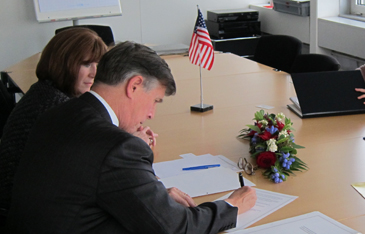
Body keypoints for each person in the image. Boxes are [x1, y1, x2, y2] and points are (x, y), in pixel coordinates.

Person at [5, 41, 257, 233]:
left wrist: (150, 197)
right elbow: (174, 227)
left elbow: (89, 180)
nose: (151, 114)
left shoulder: (61, 111)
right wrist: (231, 207)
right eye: (155, 101)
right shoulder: (116, 147)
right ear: (134, 85)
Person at [0, 27, 107, 211]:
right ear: (63, 63)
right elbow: (102, 161)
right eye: (86, 64)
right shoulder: (57, 107)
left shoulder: (44, 91)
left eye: (98, 64)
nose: (94, 73)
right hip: (24, 212)